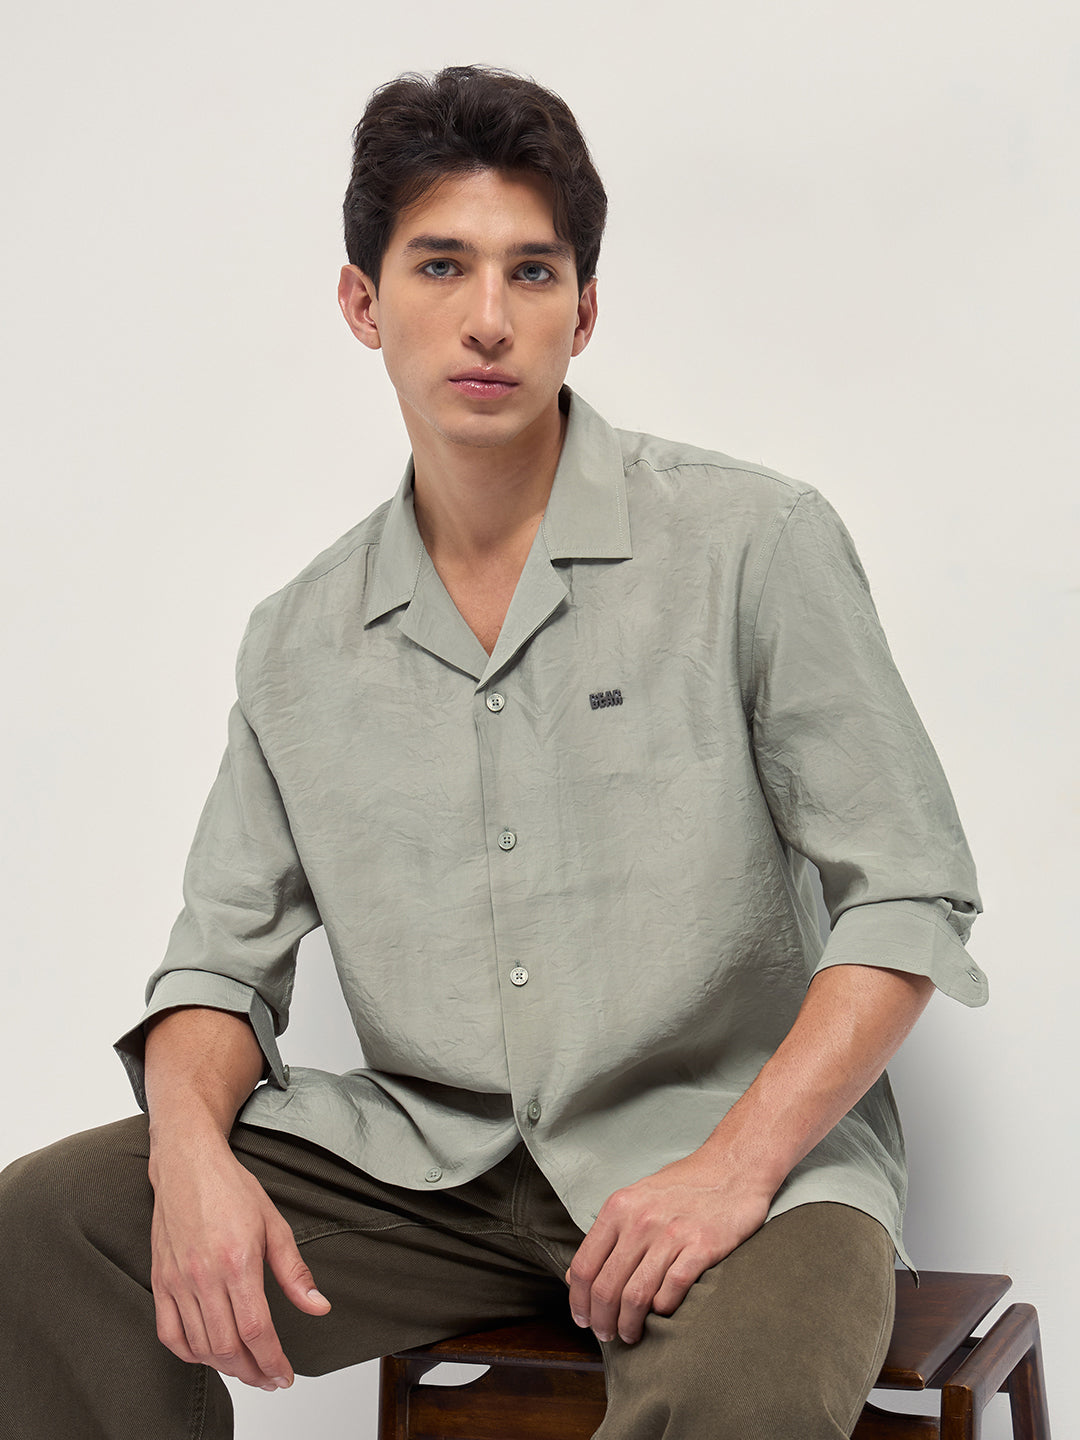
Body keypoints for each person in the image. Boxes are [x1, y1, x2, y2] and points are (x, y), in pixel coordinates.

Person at [0, 64, 987, 1440]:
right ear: (362, 303)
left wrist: (732, 1168)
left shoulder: (752, 545)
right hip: (432, 1172)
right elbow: (218, 970)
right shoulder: (299, 642)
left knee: (740, 1392)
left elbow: (908, 895)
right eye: (441, 265)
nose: (487, 317)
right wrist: (191, 1158)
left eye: (533, 272)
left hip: (724, 1150)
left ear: (585, 309)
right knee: (51, 1228)